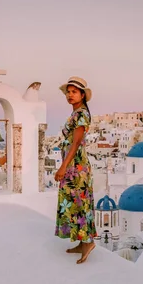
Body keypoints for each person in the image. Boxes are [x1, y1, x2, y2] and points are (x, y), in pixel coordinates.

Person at [54, 77, 97, 264]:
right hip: (73, 165)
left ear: (82, 95)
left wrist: (64, 166)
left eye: (74, 92)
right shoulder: (76, 113)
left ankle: (88, 243)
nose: (70, 95)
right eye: (68, 92)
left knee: (80, 203)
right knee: (74, 203)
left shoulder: (81, 114)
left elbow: (77, 142)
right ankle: (81, 241)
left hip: (76, 166)